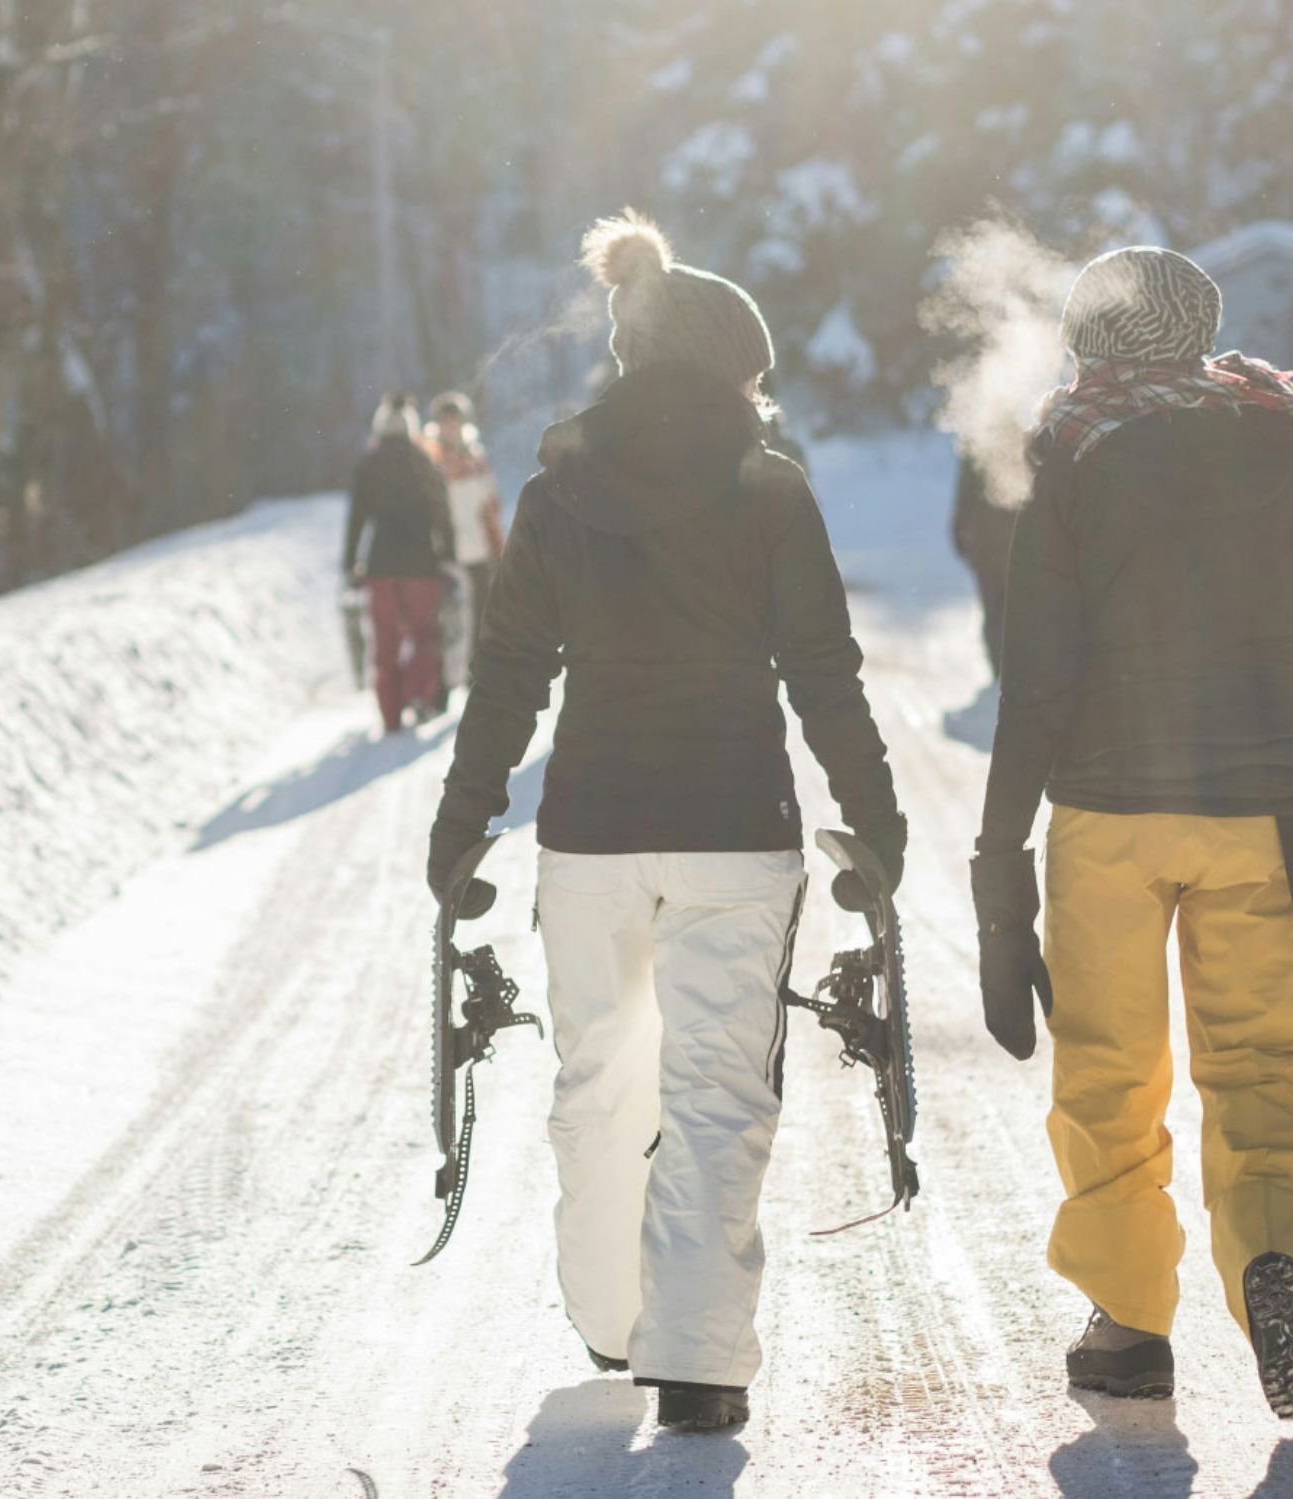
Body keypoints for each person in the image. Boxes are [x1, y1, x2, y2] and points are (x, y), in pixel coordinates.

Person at [427, 210, 905, 1433]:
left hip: (589, 831)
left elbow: (509, 670)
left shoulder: (554, 489)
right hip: (734, 827)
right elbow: (822, 668)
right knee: (714, 1087)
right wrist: (875, 815)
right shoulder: (769, 488)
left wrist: (462, 818)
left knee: (597, 1078)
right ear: (733, 367)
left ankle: (609, 1315)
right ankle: (695, 1359)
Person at [971, 247, 1293, 1419]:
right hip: (1268, 810)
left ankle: (1126, 1323)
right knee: (1265, 1067)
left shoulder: (1072, 444)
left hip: (1110, 813)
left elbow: (1039, 678)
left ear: (1089, 338)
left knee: (1109, 1069)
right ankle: (1277, 1259)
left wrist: (995, 861)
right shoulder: (1291, 437)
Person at [344, 392, 454, 733]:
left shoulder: (368, 465)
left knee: (385, 641)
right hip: (422, 565)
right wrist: (448, 556)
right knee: (424, 634)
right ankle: (420, 694)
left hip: (380, 567)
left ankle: (390, 714)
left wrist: (351, 563)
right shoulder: (424, 461)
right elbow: (442, 514)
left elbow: (357, 520)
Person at [424, 390, 506, 676]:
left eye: (456, 421)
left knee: (479, 618)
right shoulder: (430, 459)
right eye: (446, 421)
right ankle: (442, 684)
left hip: (478, 550)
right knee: (446, 619)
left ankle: (475, 675)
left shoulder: (476, 457)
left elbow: (491, 505)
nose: (451, 427)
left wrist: (498, 547)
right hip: (445, 552)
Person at [951, 453, 1019, 677]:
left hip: (983, 536)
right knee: (1016, 606)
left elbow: (964, 494)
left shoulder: (977, 440)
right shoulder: (1025, 433)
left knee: (993, 606)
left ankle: (999, 666)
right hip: (1012, 535)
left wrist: (959, 532)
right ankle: (1012, 666)